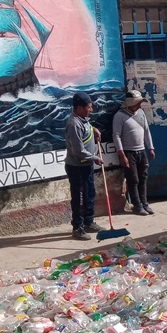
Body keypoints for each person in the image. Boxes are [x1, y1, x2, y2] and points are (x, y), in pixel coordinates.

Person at [64, 91, 103, 240]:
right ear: (79, 108)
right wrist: (95, 158)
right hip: (77, 168)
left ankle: (89, 221)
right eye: (88, 107)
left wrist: (94, 129)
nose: (91, 110)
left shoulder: (84, 119)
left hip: (86, 166)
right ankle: (78, 227)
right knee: (79, 198)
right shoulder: (74, 124)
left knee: (90, 194)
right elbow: (78, 150)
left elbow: (87, 127)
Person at [113, 89, 156, 215]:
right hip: (128, 152)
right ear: (129, 103)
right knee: (133, 179)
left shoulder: (141, 113)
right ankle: (137, 205)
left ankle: (144, 203)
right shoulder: (119, 116)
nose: (139, 105)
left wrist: (151, 148)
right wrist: (122, 154)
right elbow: (116, 135)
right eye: (137, 103)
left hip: (141, 150)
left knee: (143, 177)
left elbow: (146, 131)